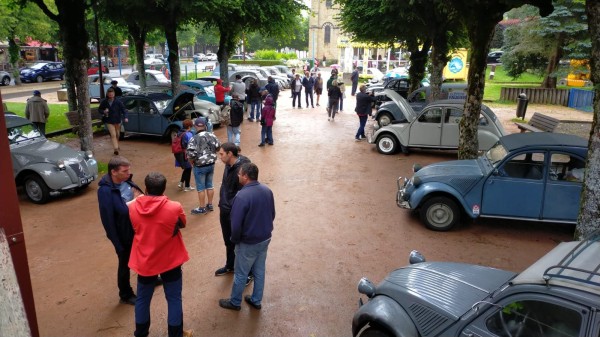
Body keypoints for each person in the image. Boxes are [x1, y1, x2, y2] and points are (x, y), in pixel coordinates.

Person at [128, 172, 192, 337]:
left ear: (146, 188)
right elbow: (182, 223)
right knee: (173, 299)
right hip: (170, 259)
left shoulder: (133, 207)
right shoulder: (174, 206)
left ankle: (141, 334)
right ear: (164, 189)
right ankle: (175, 334)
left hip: (145, 260)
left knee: (143, 298)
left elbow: (133, 226)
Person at [219, 163, 275, 311]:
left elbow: (235, 225)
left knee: (241, 273)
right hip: (265, 238)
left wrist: (235, 240)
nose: (238, 176)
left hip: (248, 242)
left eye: (239, 174)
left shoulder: (242, 196)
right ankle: (256, 300)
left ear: (245, 176)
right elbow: (272, 214)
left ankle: (235, 302)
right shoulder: (267, 190)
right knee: (259, 271)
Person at [97, 156, 144, 306]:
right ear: (114, 172)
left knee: (143, 255)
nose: (129, 173)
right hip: (123, 235)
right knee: (125, 263)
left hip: (138, 230)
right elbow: (108, 221)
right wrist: (117, 244)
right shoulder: (105, 192)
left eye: (129, 170)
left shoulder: (127, 182)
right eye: (125, 171)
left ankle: (150, 277)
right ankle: (125, 294)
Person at [215, 142, 251, 277]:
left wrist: (235, 210)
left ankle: (248, 273)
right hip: (224, 209)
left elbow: (245, 193)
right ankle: (230, 265)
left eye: (222, 154)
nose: (220, 157)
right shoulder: (228, 164)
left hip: (236, 212)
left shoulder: (243, 170)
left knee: (241, 244)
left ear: (230, 154)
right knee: (228, 241)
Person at [186, 117, 221, 215]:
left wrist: (192, 162)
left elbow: (190, 154)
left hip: (199, 166)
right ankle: (210, 205)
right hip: (211, 164)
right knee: (210, 185)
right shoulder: (212, 135)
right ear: (205, 126)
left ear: (195, 126)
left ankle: (202, 208)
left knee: (201, 188)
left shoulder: (193, 138)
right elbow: (218, 147)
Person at [99, 87, 128, 155]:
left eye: (112, 94)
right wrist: (104, 111)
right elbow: (99, 109)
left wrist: (126, 117)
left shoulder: (118, 102)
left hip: (117, 121)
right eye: (109, 94)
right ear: (107, 94)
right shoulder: (104, 102)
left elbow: (124, 110)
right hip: (109, 121)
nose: (111, 96)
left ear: (114, 94)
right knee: (113, 135)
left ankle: (117, 145)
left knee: (118, 135)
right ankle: (115, 149)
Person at [175, 119, 194, 191]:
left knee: (186, 168)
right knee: (188, 169)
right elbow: (191, 145)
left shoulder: (179, 132)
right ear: (189, 126)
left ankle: (181, 182)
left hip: (179, 154)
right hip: (186, 154)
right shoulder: (188, 134)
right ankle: (187, 186)